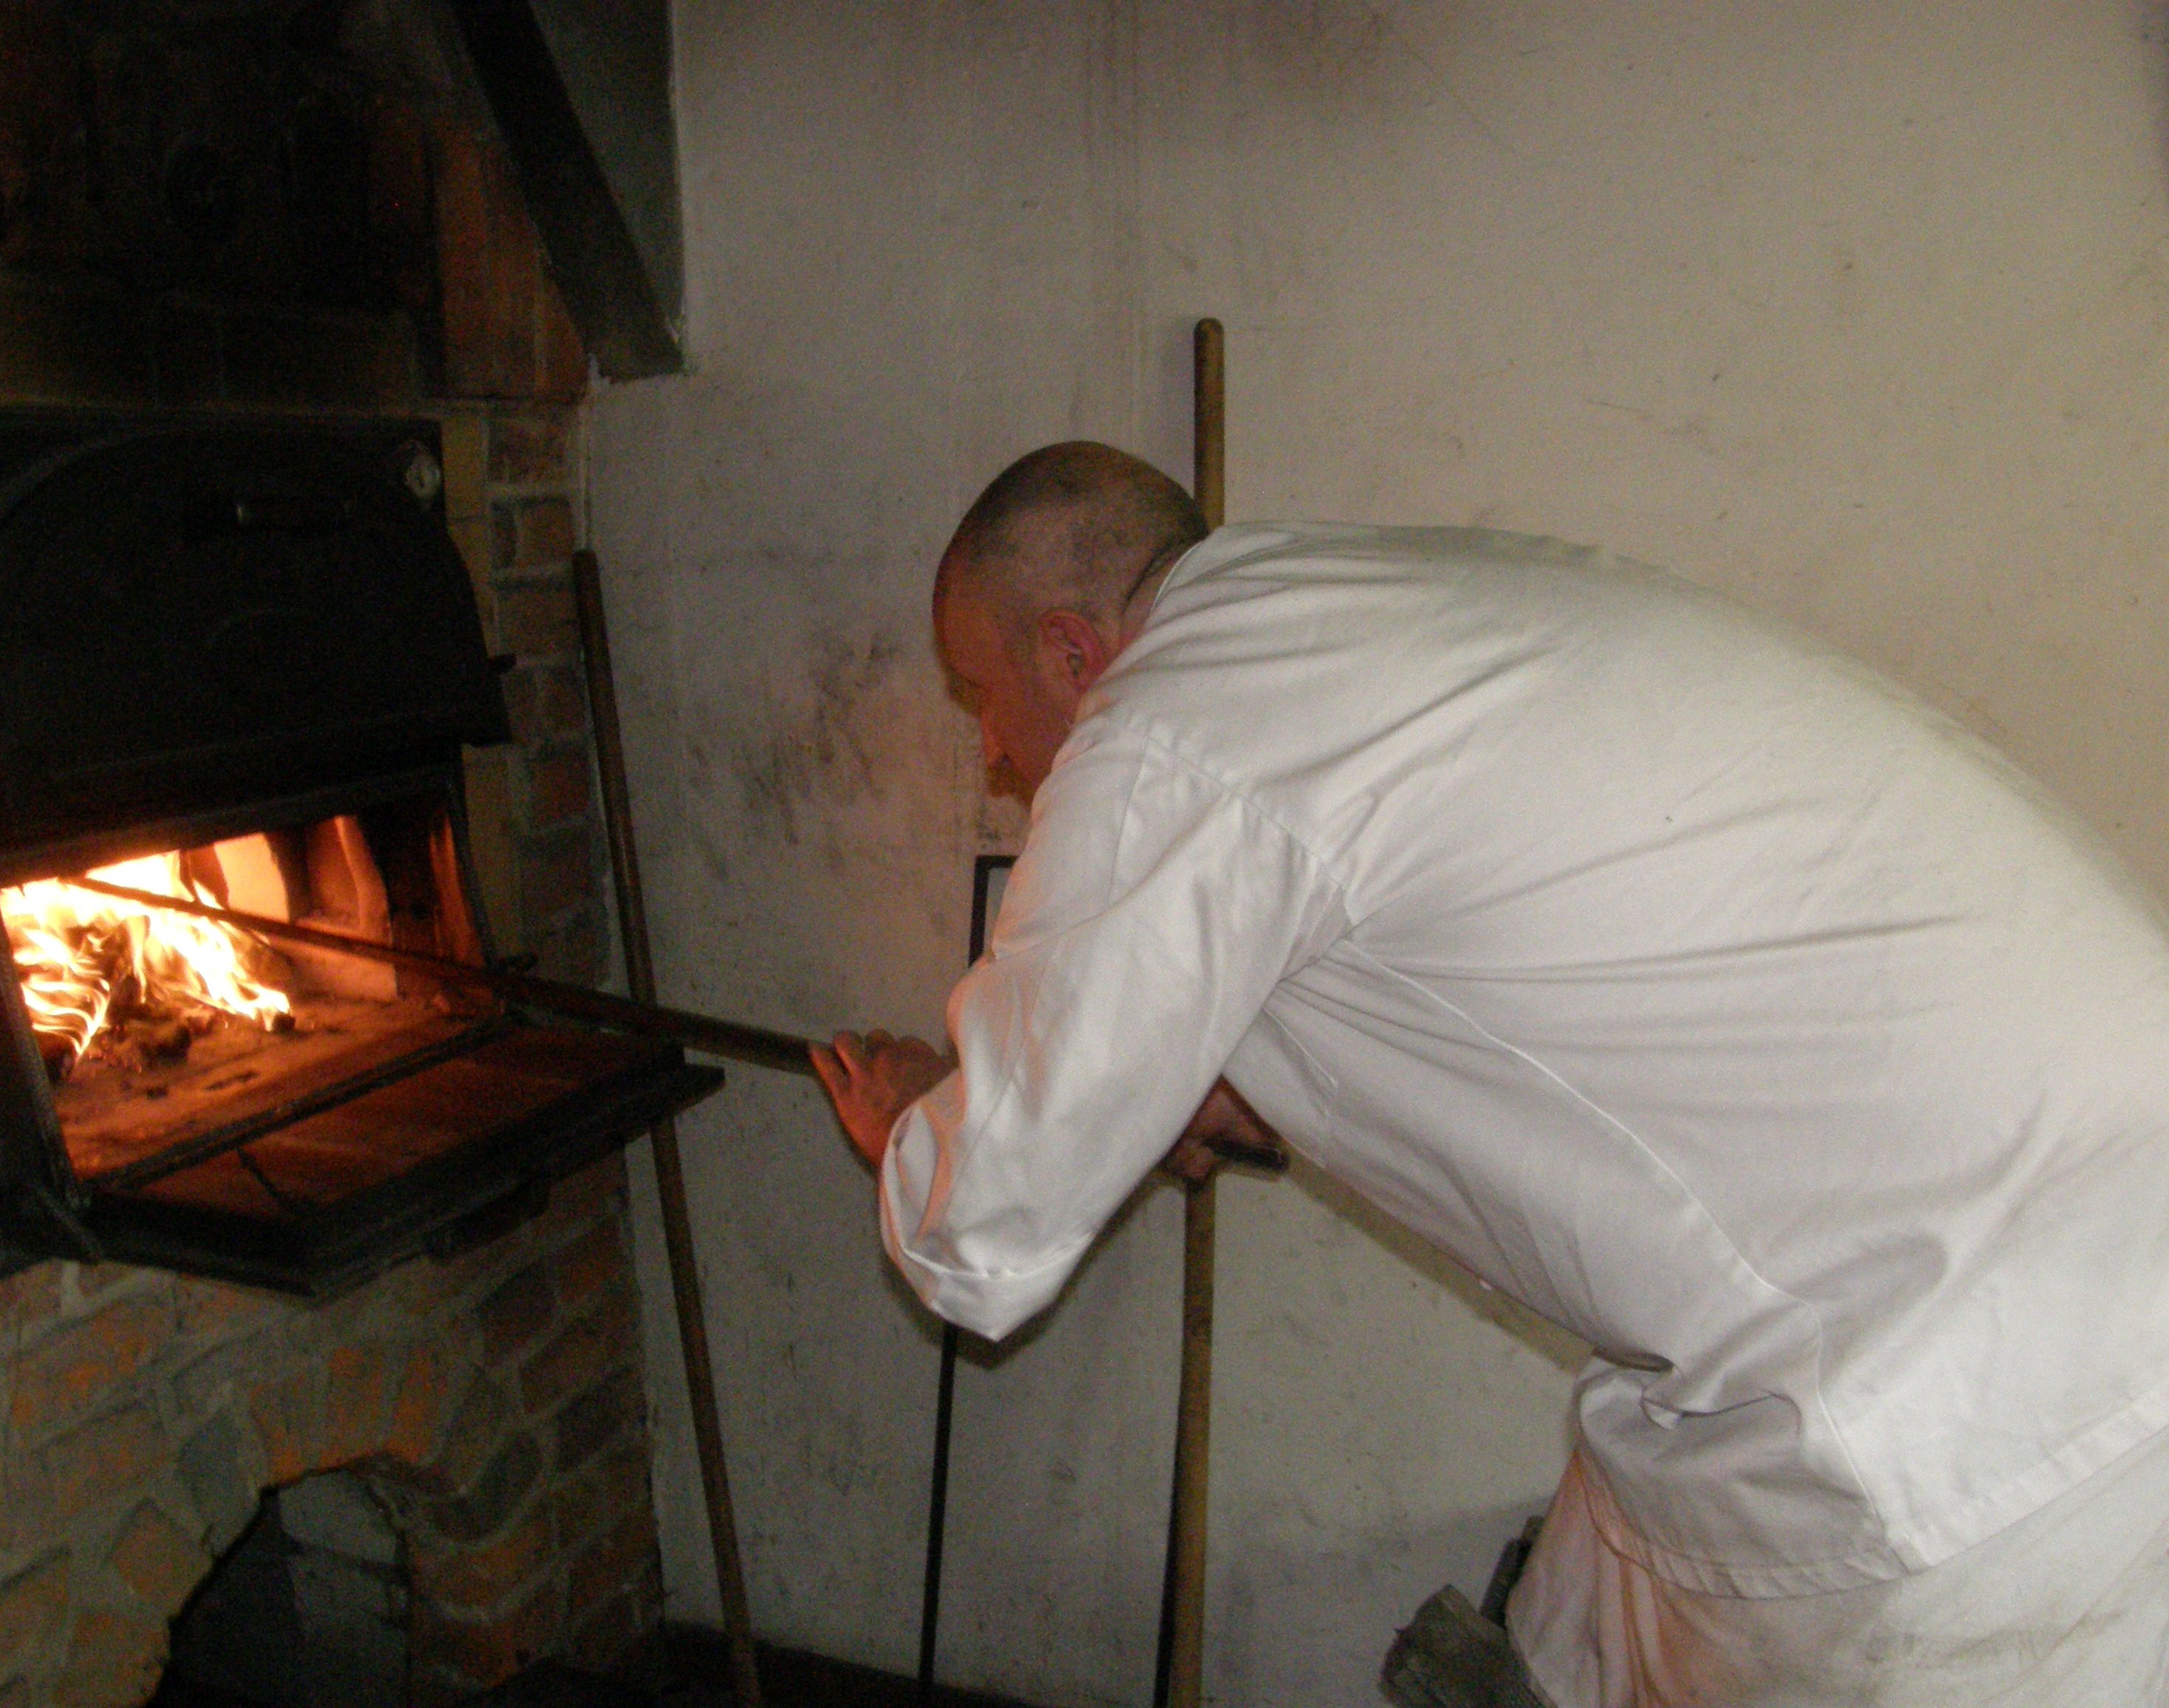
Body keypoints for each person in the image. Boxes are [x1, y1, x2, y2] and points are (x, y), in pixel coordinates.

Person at [809, 442, 2169, 1707]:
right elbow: (1452, 957)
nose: (991, 750)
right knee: (1576, 1612)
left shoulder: (1165, 732)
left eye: (984, 698)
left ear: (1070, 650)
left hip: (1980, 1378)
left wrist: (917, 1121)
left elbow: (984, 1224)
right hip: (2044, 1201)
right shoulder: (1353, 605)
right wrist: (1211, 1081)